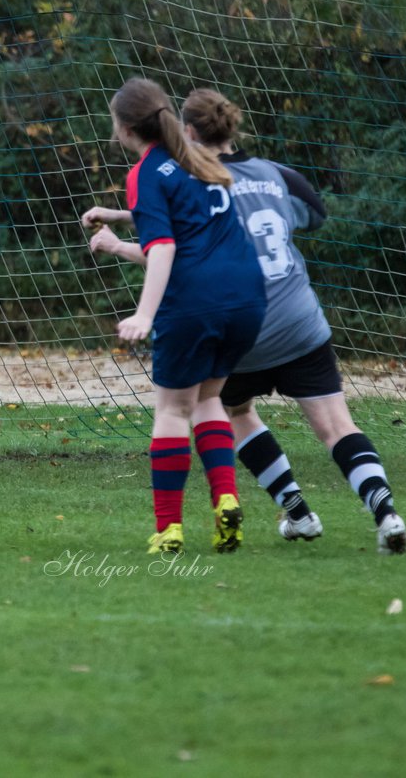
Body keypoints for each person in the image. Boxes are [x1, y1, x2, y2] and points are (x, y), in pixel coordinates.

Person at [87, 89, 406, 555]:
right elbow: (315, 213)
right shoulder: (264, 175)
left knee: (211, 408)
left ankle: (282, 510)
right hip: (286, 317)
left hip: (233, 323)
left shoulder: (179, 171)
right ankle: (386, 513)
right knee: (337, 427)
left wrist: (126, 265)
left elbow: (173, 247)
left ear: (189, 132)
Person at [81, 78, 267, 556]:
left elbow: (165, 246)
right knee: (208, 402)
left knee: (171, 409)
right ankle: (226, 499)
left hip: (196, 304)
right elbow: (188, 223)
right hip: (246, 300)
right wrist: (121, 217)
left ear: (123, 128)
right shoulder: (199, 156)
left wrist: (144, 313)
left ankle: (169, 530)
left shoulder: (146, 172)